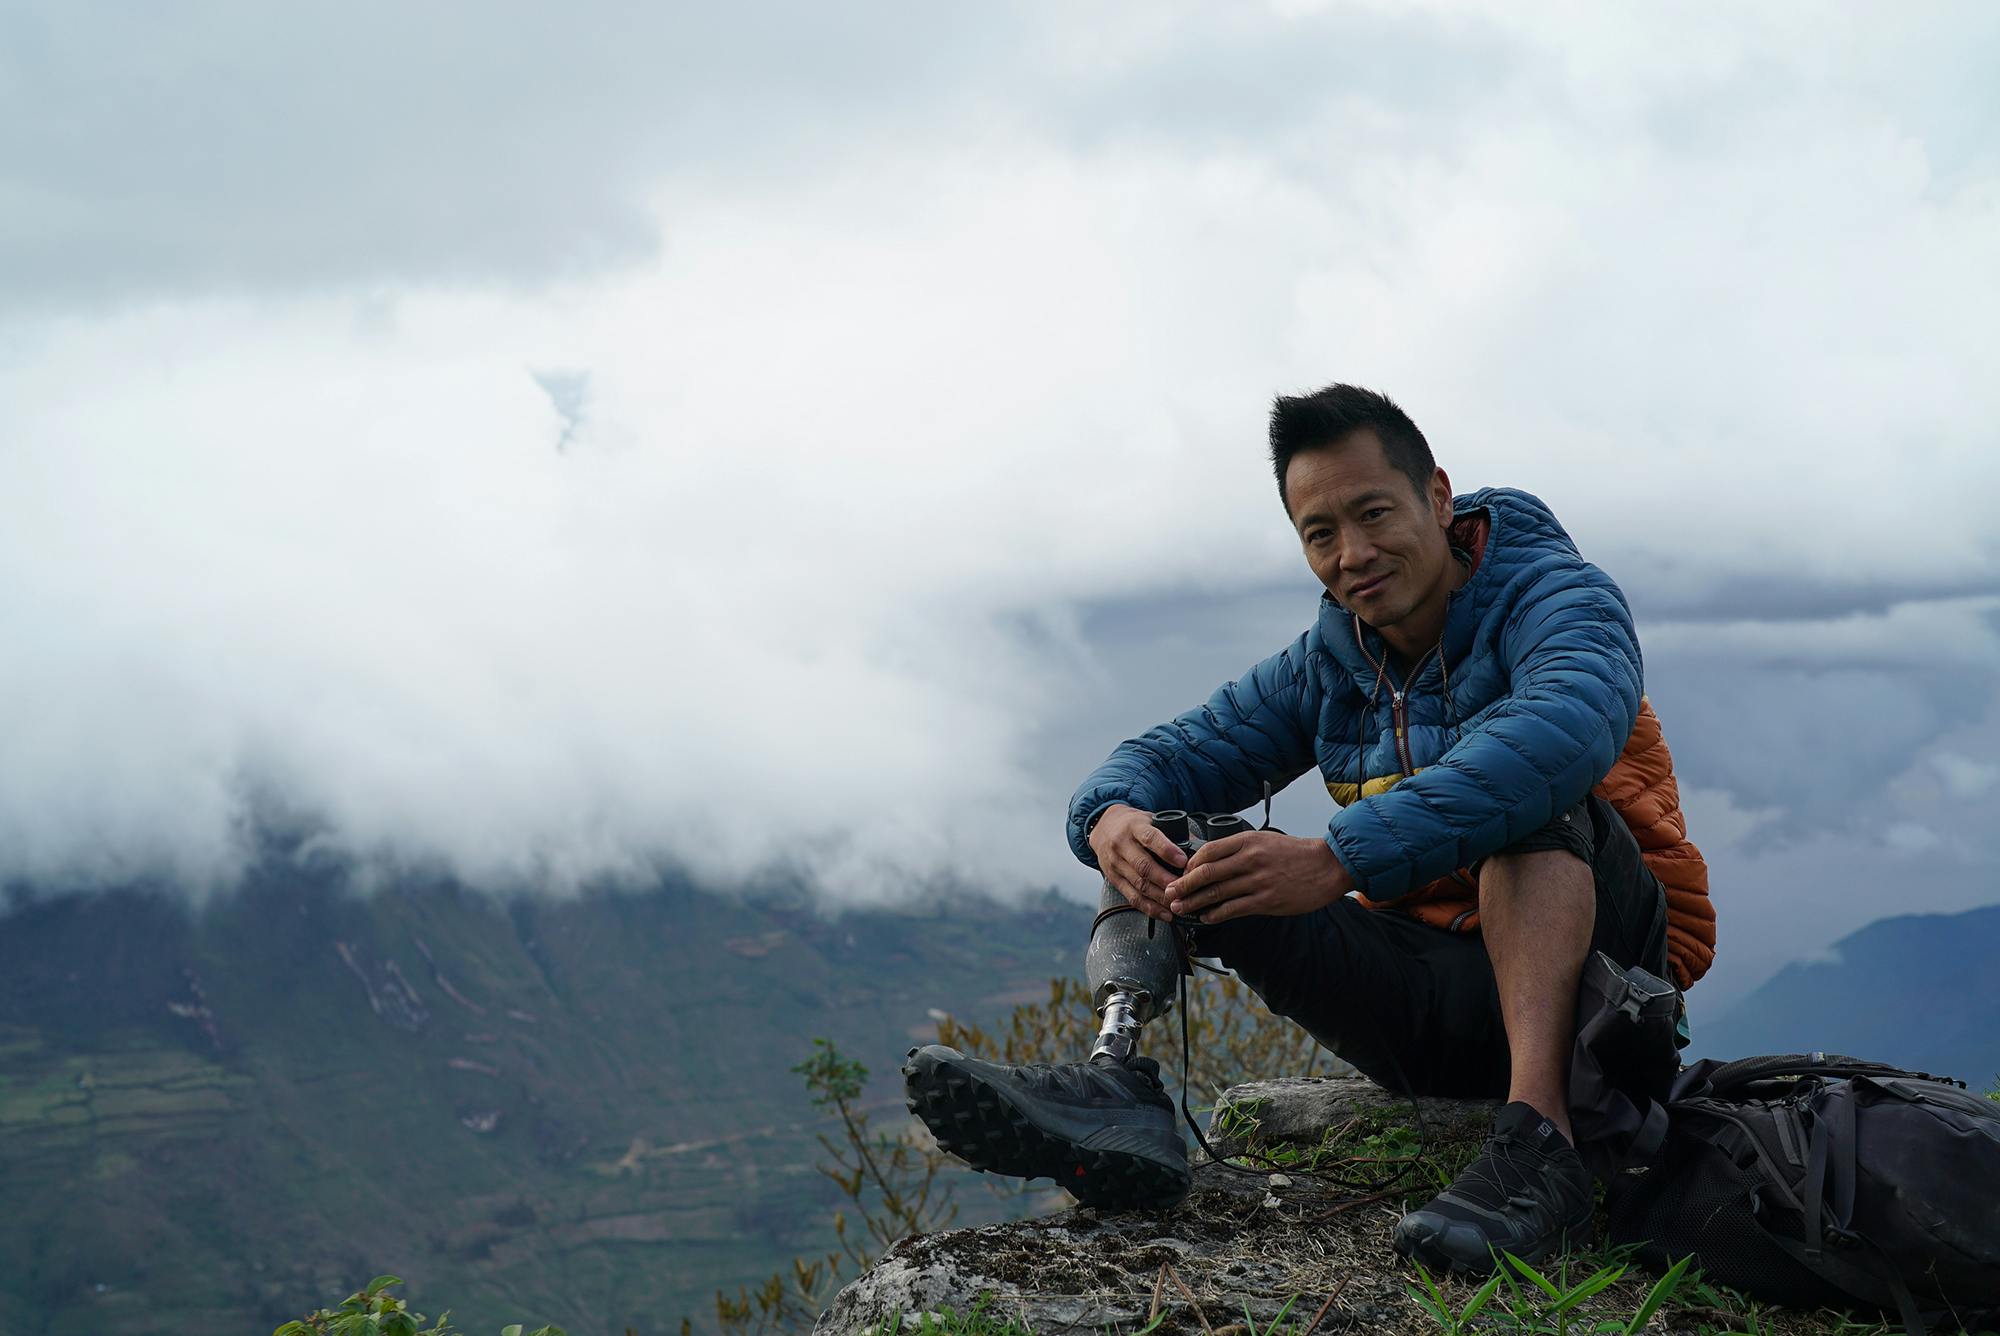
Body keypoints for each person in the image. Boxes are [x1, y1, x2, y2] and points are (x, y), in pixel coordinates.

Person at [904, 384, 1717, 1275]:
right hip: (1430, 1006)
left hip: (1605, 998)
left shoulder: (1558, 601)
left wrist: (1338, 856)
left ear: (1438, 499)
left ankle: (1542, 1145)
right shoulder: (1333, 662)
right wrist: (1108, 816)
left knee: (1520, 794)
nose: (1353, 555)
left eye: (1373, 514)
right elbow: (1170, 755)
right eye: (1320, 533)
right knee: (1173, 831)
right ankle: (1119, 1079)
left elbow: (1562, 733)